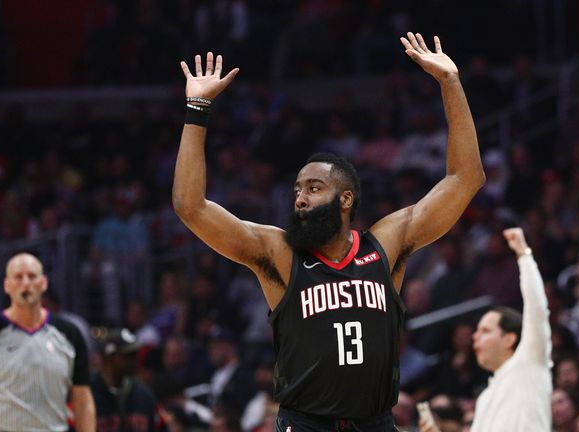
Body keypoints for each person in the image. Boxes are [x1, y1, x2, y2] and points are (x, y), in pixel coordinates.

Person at [173, 31, 484, 431]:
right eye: (297, 190)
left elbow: (465, 178)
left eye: (314, 188)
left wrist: (450, 83)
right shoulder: (279, 253)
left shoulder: (385, 245)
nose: (300, 198)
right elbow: (190, 206)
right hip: (305, 423)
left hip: (375, 422)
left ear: (346, 199)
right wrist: (197, 108)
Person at [0, 253, 96, 432]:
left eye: (32, 276)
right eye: (18, 277)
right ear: (7, 286)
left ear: (44, 283)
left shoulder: (70, 334)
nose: (25, 283)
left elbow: (83, 400)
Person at [466, 228, 552, 431]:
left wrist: (523, 254)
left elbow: (537, 309)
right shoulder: (485, 398)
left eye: (485, 331)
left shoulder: (529, 361)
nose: (474, 337)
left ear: (509, 339)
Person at [92, 328, 163, 432]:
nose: (135, 360)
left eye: (135, 354)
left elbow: (162, 427)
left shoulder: (144, 395)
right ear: (110, 358)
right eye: (128, 356)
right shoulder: (87, 394)